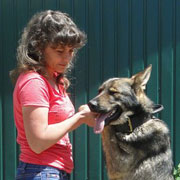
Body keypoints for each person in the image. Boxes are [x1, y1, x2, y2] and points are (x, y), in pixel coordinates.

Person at [10, 10, 97, 180]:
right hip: (40, 171)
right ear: (39, 47)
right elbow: (38, 142)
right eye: (59, 51)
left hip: (52, 172)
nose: (66, 58)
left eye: (71, 51)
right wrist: (79, 118)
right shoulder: (34, 82)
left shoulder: (54, 79)